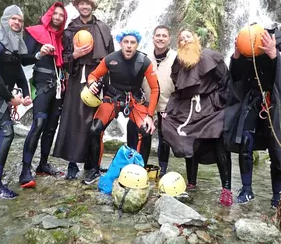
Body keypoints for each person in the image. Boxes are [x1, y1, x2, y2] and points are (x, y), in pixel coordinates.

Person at [162, 28, 233, 206]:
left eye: (188, 37)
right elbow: (178, 90)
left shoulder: (210, 57)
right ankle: (191, 182)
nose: (185, 41)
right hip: (189, 109)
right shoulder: (178, 64)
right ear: (178, 45)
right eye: (181, 39)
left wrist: (219, 102)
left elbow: (225, 81)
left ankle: (226, 189)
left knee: (219, 143)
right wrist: (170, 111)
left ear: (196, 39)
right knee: (186, 139)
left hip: (212, 107)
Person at [84, 29, 159, 184]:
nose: (129, 46)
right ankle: (94, 169)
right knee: (94, 130)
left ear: (137, 44)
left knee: (146, 132)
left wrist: (150, 116)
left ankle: (140, 172)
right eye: (126, 42)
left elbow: (155, 89)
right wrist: (91, 84)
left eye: (133, 42)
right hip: (112, 98)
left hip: (134, 100)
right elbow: (93, 75)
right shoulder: (111, 59)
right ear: (120, 43)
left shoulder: (144, 61)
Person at [53, 0, 114, 179]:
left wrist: (103, 82)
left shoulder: (103, 28)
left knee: (91, 120)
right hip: (75, 78)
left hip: (96, 79)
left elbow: (110, 58)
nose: (85, 6)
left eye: (88, 3)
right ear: (77, 6)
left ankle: (91, 162)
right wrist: (76, 54)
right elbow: (62, 59)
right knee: (73, 118)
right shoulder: (70, 30)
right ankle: (72, 164)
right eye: (81, 3)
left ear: (92, 6)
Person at [224, 29, 281, 207]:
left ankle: (277, 196)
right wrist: (237, 56)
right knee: (245, 142)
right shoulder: (248, 49)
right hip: (252, 101)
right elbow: (236, 76)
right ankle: (247, 189)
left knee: (276, 148)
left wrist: (274, 55)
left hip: (274, 103)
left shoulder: (276, 46)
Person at [18, 2, 68, 188]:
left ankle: (42, 165)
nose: (57, 17)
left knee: (51, 127)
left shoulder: (63, 38)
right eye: (55, 14)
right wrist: (39, 54)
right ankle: (25, 170)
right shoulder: (35, 32)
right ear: (49, 15)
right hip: (41, 84)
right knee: (38, 123)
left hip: (58, 86)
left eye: (61, 15)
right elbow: (23, 59)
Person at [127, 25, 176, 177]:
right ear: (153, 38)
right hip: (145, 104)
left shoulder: (176, 58)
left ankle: (163, 170)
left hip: (167, 105)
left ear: (169, 39)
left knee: (164, 139)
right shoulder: (143, 57)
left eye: (164, 36)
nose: (160, 38)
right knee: (138, 133)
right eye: (158, 35)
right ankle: (136, 165)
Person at [0, 5, 32, 198]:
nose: (17, 23)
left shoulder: (15, 44)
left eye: (20, 20)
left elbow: (18, 72)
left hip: (2, 96)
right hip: (0, 95)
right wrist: (11, 99)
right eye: (13, 19)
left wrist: (25, 95)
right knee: (6, 133)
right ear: (5, 20)